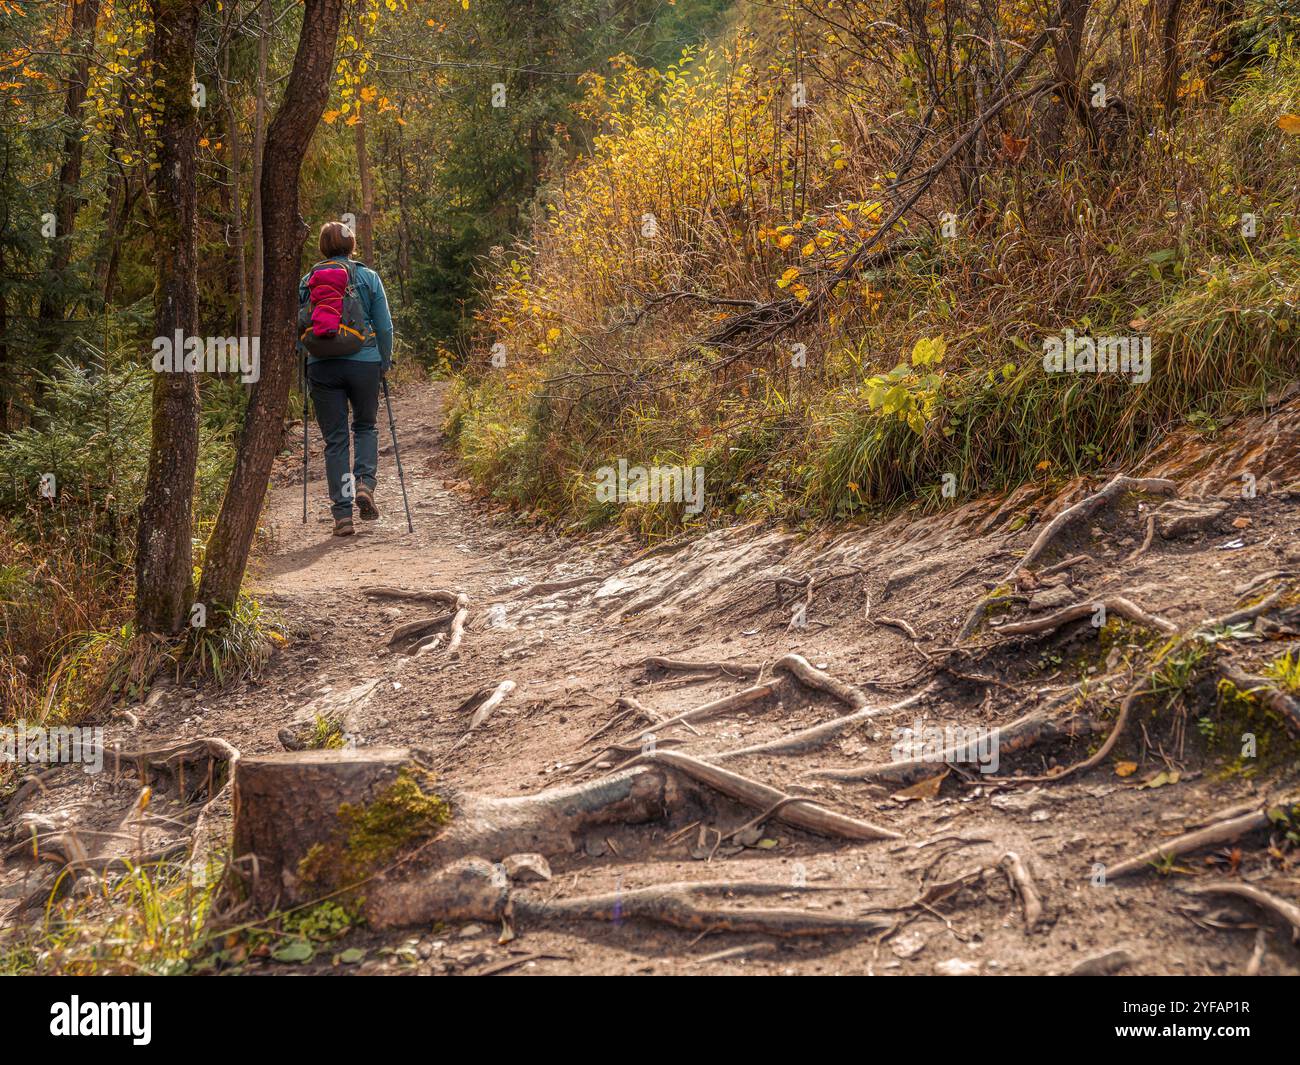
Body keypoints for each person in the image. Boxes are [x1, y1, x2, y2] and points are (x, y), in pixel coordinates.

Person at [300, 221, 394, 536]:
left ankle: (342, 514)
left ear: (323, 248)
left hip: (322, 366)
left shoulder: (308, 280)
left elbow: (300, 322)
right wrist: (385, 359)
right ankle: (365, 484)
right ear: (352, 245)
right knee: (365, 426)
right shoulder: (368, 277)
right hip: (364, 363)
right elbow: (384, 326)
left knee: (336, 440)